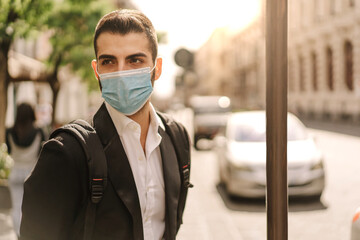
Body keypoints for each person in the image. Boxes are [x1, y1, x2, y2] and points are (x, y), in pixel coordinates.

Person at [20, 9, 191, 240]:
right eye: (109, 61)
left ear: (157, 68)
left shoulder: (176, 137)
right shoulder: (66, 153)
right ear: (96, 70)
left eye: (135, 60)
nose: (121, 73)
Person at [5, 102, 45, 236]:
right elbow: (42, 153)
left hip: (15, 171)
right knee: (32, 207)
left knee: (16, 206)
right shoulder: (39, 132)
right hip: (32, 172)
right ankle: (30, 233)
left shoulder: (10, 131)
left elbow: (9, 151)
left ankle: (18, 234)